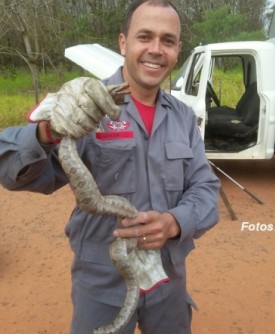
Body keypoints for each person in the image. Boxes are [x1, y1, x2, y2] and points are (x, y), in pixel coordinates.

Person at [0, 0, 220, 333]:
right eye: (144, 37)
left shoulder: (184, 117)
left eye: (168, 40)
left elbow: (206, 188)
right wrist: (48, 131)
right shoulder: (84, 104)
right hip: (102, 284)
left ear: (177, 51)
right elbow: (14, 175)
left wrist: (175, 222)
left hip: (168, 280)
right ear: (123, 43)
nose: (156, 49)